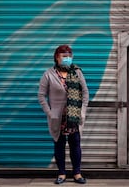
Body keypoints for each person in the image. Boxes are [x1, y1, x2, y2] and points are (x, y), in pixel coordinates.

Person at [38, 45, 89, 185]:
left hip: (74, 116)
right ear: (57, 57)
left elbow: (85, 93)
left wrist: (82, 111)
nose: (67, 58)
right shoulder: (48, 74)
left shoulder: (77, 72)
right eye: (64, 56)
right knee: (59, 145)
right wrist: (50, 113)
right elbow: (41, 96)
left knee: (75, 144)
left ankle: (77, 174)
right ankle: (61, 173)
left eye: (69, 56)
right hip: (58, 118)